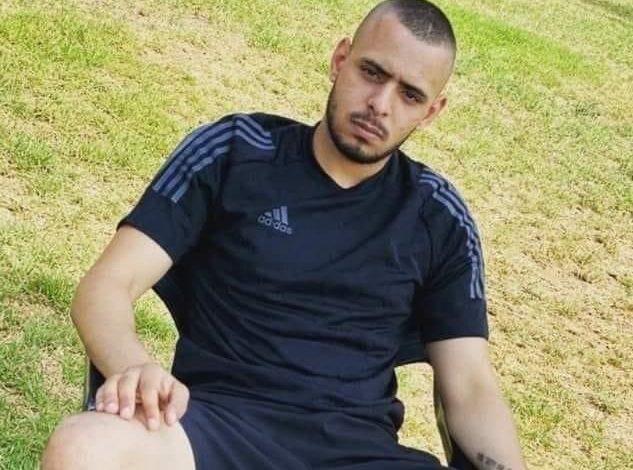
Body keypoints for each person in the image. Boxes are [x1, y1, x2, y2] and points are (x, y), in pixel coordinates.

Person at [42, 1, 527, 469]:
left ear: (432, 111)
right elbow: (107, 286)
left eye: (410, 95)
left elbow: (470, 386)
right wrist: (133, 366)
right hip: (217, 429)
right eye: (372, 72)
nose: (380, 105)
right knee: (84, 448)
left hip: (360, 452)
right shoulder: (235, 153)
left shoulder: (438, 216)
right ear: (340, 59)